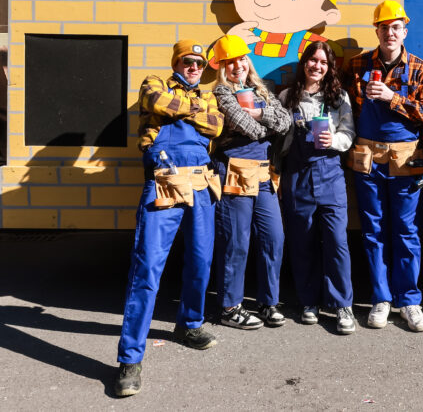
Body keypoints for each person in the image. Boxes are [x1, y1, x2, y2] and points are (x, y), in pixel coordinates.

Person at [115, 40, 224, 398]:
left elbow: (216, 126)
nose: (194, 67)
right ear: (176, 62)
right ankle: (130, 358)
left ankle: (190, 324)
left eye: (199, 64)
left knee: (201, 261)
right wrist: (193, 110)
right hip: (164, 183)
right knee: (147, 268)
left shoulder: (209, 96)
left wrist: (184, 109)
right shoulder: (155, 82)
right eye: (188, 61)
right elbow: (155, 102)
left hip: (202, 185)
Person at [344, 0, 423, 332]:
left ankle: (409, 300)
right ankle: (381, 299)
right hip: (367, 158)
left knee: (406, 230)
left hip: (405, 159)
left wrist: (391, 98)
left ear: (404, 31)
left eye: (396, 27)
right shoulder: (357, 64)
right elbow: (345, 107)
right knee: (373, 230)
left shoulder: (419, 68)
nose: (390, 33)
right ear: (377, 31)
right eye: (384, 27)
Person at [211, 34, 292, 330]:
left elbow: (286, 121)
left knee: (273, 238)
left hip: (263, 174)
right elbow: (251, 130)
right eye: (230, 62)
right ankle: (230, 307)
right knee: (236, 242)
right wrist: (269, 122)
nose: (238, 66)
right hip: (234, 173)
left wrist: (259, 113)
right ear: (222, 67)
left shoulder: (261, 89)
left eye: (242, 59)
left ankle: (268, 302)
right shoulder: (221, 93)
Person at [277, 41, 357, 334]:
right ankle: (308, 301)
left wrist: (334, 141)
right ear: (304, 62)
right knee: (302, 241)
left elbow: (349, 132)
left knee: (337, 240)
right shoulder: (287, 96)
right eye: (313, 60)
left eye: (323, 62)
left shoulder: (339, 97)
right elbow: (278, 139)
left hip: (330, 173)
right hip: (296, 175)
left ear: (330, 67)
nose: (317, 66)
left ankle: (342, 305)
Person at [215, 0, 344, 88]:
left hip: (292, 98)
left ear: (329, 14)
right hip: (250, 97)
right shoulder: (243, 36)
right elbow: (215, 64)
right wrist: (230, 40)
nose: (262, 0)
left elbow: (335, 58)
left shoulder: (307, 43)